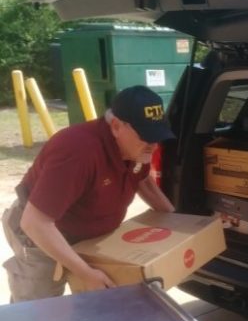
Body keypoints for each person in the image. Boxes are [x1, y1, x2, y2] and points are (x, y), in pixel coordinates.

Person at [2, 86, 175, 302]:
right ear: (116, 126)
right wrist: (86, 273)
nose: (154, 145)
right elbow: (35, 223)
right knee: (36, 312)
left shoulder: (133, 149)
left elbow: (142, 180)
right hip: (41, 237)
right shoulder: (78, 151)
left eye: (157, 136)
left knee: (95, 306)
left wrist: (176, 220)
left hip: (88, 235)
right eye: (146, 137)